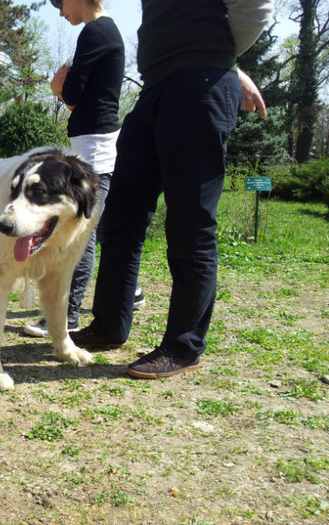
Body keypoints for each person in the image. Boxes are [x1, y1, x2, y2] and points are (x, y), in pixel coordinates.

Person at [70, 0, 273, 379]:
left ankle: (184, 346)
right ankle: (109, 325)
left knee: (189, 223)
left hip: (200, 86)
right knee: (120, 219)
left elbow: (254, 6)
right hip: (155, 89)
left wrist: (221, 60)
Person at [24, 0, 144, 339]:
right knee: (103, 229)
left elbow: (74, 93)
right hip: (95, 144)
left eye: (61, 3)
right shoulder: (105, 31)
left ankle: (67, 315)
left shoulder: (95, 31)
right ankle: (131, 291)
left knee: (80, 235)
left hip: (96, 148)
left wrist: (56, 90)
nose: (61, 12)